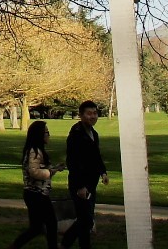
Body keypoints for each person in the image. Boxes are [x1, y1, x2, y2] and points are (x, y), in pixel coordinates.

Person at [7, 119, 62, 248]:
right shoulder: (34, 151)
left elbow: (39, 169)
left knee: (37, 228)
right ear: (39, 135)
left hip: (35, 194)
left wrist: (54, 169)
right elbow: (34, 172)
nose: (49, 135)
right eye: (46, 133)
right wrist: (50, 171)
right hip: (36, 194)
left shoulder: (36, 151)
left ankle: (14, 246)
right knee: (51, 224)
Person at [62, 100, 107, 249]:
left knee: (85, 219)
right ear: (81, 115)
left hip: (90, 183)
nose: (93, 116)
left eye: (95, 113)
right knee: (86, 219)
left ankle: (78, 245)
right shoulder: (76, 134)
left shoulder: (93, 133)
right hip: (79, 184)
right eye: (89, 113)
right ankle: (65, 243)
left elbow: (96, 156)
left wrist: (103, 172)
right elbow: (73, 161)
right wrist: (80, 186)